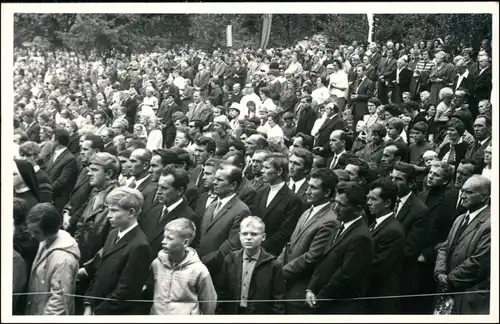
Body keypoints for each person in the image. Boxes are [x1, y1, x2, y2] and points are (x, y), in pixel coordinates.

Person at [81, 187, 152, 315]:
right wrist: (89, 303)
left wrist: (96, 312)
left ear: (131, 212)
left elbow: (125, 293)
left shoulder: (140, 246)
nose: (108, 215)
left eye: (114, 211)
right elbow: (100, 274)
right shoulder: (113, 234)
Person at [305, 181, 374, 314]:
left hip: (340, 307)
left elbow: (345, 276)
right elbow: (323, 261)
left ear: (358, 209)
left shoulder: (361, 237)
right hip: (324, 301)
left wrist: (319, 299)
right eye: (335, 202)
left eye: (341, 205)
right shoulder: (339, 226)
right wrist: (310, 289)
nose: (335, 208)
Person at [278, 168, 339, 314]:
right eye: (308, 186)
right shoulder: (308, 211)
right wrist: (276, 266)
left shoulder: (330, 220)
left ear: (327, 193)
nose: (307, 191)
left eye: (313, 188)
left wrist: (280, 272)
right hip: (287, 281)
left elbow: (312, 257)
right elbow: (289, 245)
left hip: (301, 286)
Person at [434, 175, 491, 314]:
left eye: (469, 192)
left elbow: (479, 262)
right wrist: (440, 272)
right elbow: (445, 247)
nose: (463, 196)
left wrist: (449, 280)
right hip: (448, 293)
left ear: (483, 197)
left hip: (470, 296)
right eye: (462, 191)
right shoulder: (460, 218)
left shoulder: (491, 223)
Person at [144, 218, 217, 315]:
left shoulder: (199, 270)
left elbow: (209, 303)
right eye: (164, 237)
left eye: (169, 238)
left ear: (185, 243)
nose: (163, 241)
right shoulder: (156, 263)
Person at [217, 216, 285, 314]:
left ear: (263, 237)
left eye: (254, 234)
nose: (248, 237)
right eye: (244, 234)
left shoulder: (273, 264)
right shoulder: (230, 260)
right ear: (239, 235)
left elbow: (278, 300)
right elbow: (221, 293)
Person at [24, 203, 81, 315]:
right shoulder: (46, 241)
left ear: (49, 230)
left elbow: (58, 303)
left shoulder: (64, 260)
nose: (31, 235)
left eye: (36, 232)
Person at [390, 161, 430, 314]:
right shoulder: (388, 200)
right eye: (392, 178)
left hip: (401, 276)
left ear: (411, 183)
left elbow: (410, 249)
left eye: (398, 179)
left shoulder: (420, 210)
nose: (393, 183)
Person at [197, 163, 251, 276]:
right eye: (215, 179)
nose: (214, 182)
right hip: (201, 267)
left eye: (220, 180)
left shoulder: (241, 210)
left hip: (219, 271)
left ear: (233, 185)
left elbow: (231, 246)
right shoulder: (212, 206)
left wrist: (204, 262)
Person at [251, 153, 304, 256]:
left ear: (279, 171)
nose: (262, 171)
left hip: (271, 254)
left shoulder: (293, 199)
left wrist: (260, 248)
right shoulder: (260, 192)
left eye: (266, 167)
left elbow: (284, 233)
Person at [140, 165, 199, 258]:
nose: (158, 192)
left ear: (179, 191)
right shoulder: (153, 210)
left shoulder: (189, 218)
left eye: (164, 188)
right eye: (158, 187)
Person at [365, 179, 405, 314]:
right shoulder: (375, 223)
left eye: (374, 199)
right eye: (368, 198)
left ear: (387, 203)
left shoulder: (393, 230)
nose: (368, 203)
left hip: (380, 299)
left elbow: (377, 266)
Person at [45, 127, 78, 212]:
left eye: (52, 139)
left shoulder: (70, 159)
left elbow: (62, 181)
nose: (50, 141)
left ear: (57, 141)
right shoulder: (53, 154)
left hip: (57, 199)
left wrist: (46, 191)